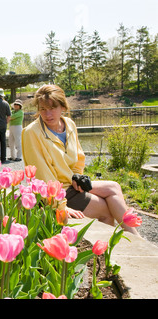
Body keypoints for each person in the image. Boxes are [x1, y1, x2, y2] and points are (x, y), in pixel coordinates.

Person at [21, 84, 140, 236]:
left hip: (71, 184)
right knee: (106, 210)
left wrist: (78, 178)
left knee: (114, 187)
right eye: (43, 109)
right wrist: (60, 207)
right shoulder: (32, 132)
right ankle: (112, 250)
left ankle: (135, 238)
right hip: (56, 193)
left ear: (63, 107)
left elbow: (78, 157)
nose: (47, 114)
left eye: (52, 108)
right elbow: (41, 176)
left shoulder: (69, 124)